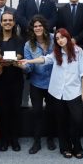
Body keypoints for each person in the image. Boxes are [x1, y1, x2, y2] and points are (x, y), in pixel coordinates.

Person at [21, 28, 83, 159]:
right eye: (57, 38)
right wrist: (28, 61)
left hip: (73, 92)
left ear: (67, 37)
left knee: (77, 120)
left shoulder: (78, 51)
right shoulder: (56, 52)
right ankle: (65, 148)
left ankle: (77, 146)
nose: (60, 40)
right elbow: (43, 59)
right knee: (61, 121)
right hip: (57, 92)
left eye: (62, 37)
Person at [22, 15, 56, 154]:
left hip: (54, 82)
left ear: (44, 27)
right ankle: (36, 141)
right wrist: (23, 67)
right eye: (35, 26)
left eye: (40, 25)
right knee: (37, 113)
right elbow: (29, 68)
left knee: (52, 112)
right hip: (36, 83)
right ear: (32, 29)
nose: (38, 28)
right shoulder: (28, 45)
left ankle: (50, 138)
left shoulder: (54, 39)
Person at [0, 11, 24, 152]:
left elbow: (19, 55)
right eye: (4, 20)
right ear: (1, 22)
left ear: (13, 23)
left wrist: (5, 58)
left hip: (16, 81)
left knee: (15, 111)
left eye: (10, 20)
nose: (7, 22)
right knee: (2, 112)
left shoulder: (19, 39)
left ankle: (14, 139)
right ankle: (4, 140)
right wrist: (4, 61)